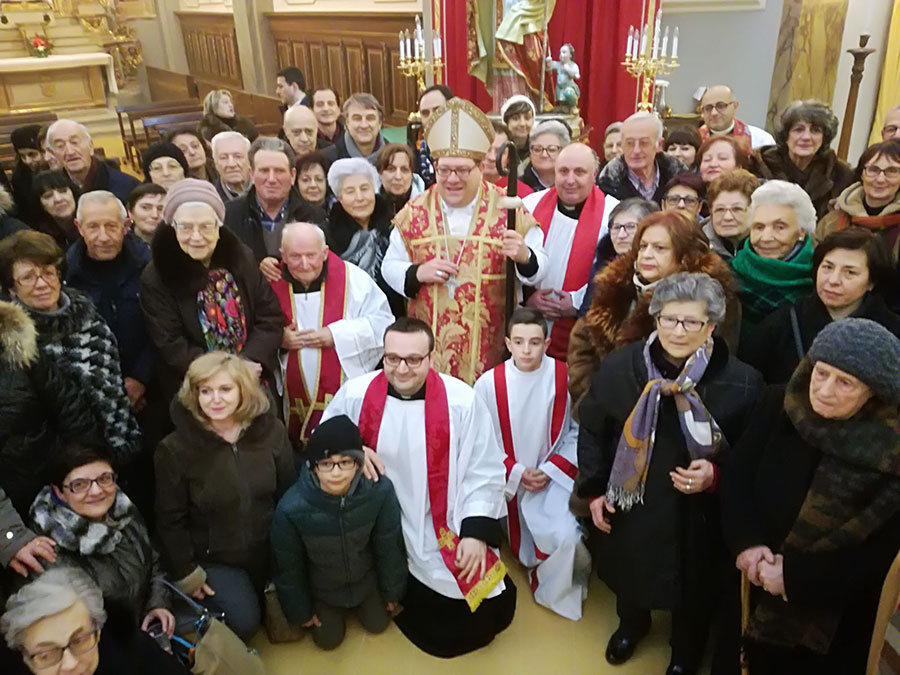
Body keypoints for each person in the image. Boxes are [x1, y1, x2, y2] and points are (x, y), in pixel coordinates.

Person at [577, 272, 762, 673]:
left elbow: (753, 457)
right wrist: (593, 491)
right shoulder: (621, 366)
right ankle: (632, 626)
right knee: (631, 572)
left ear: (711, 326)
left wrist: (716, 475)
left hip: (699, 514)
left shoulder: (743, 383)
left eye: (691, 322)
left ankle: (684, 654)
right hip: (633, 502)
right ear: (655, 318)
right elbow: (593, 427)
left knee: (694, 588)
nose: (677, 331)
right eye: (668, 319)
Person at [320, 318, 516, 658]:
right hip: (381, 521)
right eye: (392, 358)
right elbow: (325, 441)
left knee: (486, 611)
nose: (402, 369)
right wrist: (353, 448)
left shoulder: (461, 402)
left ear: (431, 358)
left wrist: (474, 533)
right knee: (447, 626)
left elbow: (484, 468)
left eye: (414, 359)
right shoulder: (356, 393)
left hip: (444, 517)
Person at [722, 318, 900, 674]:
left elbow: (882, 556)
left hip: (835, 620)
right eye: (821, 373)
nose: (824, 389)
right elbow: (737, 476)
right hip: (756, 582)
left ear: (874, 392)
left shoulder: (891, 449)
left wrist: (795, 579)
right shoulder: (779, 402)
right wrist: (748, 543)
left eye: (845, 382)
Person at [381, 97, 547, 385]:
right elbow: (389, 265)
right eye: (443, 170)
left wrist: (524, 256)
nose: (451, 179)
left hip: (491, 345)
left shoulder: (508, 208)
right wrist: (417, 273)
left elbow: (541, 265)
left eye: (461, 170)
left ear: (481, 166)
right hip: (428, 347)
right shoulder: (415, 211)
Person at [155, 351, 295, 640]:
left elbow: (289, 495)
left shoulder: (272, 432)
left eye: (225, 389)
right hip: (216, 559)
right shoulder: (174, 449)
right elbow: (170, 519)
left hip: (269, 548)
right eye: (205, 391)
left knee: (293, 617)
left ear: (243, 390)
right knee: (245, 623)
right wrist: (187, 572)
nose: (215, 400)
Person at [0, 231, 141, 506]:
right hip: (68, 473)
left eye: (48, 273)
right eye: (28, 277)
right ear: (11, 289)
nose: (41, 283)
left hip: (121, 444)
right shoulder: (14, 343)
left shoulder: (87, 315)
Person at [474, 309, 589, 621]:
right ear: (508, 343)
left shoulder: (565, 377)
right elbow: (480, 442)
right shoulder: (488, 385)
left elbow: (579, 431)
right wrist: (516, 472)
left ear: (548, 342)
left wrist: (550, 471)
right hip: (509, 484)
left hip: (554, 480)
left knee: (568, 538)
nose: (527, 350)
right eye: (520, 342)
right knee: (520, 543)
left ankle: (553, 588)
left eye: (535, 342)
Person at [567, 211, 740, 408]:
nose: (647, 255)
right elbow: (582, 349)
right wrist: (591, 404)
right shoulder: (615, 290)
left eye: (659, 248)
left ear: (686, 255)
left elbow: (717, 365)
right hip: (609, 416)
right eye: (643, 246)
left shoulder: (712, 298)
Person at [139, 179, 285, 401]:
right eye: (185, 227)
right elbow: (170, 342)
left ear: (219, 227)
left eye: (206, 226)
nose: (196, 237)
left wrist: (248, 362)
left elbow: (269, 315)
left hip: (252, 378)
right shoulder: (157, 275)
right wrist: (224, 374)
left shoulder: (240, 258)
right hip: (198, 388)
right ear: (172, 228)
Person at [270, 415, 407, 649]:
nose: (336, 473)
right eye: (326, 464)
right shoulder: (291, 508)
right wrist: (301, 611)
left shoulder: (378, 493)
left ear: (358, 463)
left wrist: (391, 592)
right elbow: (289, 567)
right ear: (312, 466)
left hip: (365, 581)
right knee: (327, 641)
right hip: (324, 591)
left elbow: (388, 545)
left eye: (345, 462)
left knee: (378, 624)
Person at [270, 222, 393, 445]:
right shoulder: (270, 284)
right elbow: (255, 330)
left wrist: (337, 335)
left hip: (344, 395)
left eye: (311, 255)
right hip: (289, 405)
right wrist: (279, 340)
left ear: (325, 252)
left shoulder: (354, 280)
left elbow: (384, 325)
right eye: (295, 256)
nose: (305, 264)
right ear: (283, 256)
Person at [28, 444, 172, 635]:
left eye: (104, 479)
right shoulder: (46, 549)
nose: (96, 491)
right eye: (79, 484)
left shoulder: (124, 513)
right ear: (58, 492)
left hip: (144, 632)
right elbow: (71, 628)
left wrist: (157, 605)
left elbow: (154, 562)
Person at [0, 298, 98, 569]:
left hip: (57, 484)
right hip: (10, 515)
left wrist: (90, 475)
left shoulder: (15, 344)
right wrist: (10, 537)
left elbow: (70, 408)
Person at [741, 227, 900, 383]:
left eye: (850, 272)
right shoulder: (784, 323)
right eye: (827, 267)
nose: (833, 280)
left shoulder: (892, 331)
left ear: (871, 282)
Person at [522, 142, 617, 359]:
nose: (570, 180)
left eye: (580, 172)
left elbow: (616, 271)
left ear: (594, 175)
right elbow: (511, 259)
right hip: (530, 324)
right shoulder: (529, 206)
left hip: (581, 333)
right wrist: (527, 299)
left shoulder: (612, 213)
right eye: (563, 171)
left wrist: (576, 302)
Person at [0, 567, 189, 675]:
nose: (70, 664)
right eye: (46, 654)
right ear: (25, 657)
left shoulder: (134, 649)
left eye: (80, 640)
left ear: (98, 630)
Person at [67, 192, 154, 416]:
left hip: (154, 384)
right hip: (96, 396)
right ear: (79, 227)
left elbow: (163, 327)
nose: (103, 237)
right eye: (93, 227)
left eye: (111, 226)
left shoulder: (149, 267)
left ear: (126, 226)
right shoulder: (65, 276)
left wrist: (140, 379)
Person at [816, 139, 900, 308]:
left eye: (892, 171)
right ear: (861, 173)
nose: (880, 178)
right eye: (873, 170)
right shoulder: (832, 219)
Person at [223, 136, 325, 273]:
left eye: (279, 171)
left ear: (293, 175)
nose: (271, 179)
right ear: (251, 174)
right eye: (264, 171)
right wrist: (256, 266)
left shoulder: (314, 216)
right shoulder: (229, 215)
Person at [731, 180, 816, 341]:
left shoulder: (821, 278)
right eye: (759, 227)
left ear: (802, 232)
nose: (766, 237)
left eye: (780, 227)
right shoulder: (728, 276)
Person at [325, 158, 403, 314]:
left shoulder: (394, 227)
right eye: (350, 192)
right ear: (340, 199)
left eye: (365, 189)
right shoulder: (328, 235)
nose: (359, 197)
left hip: (394, 314)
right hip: (348, 316)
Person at [758, 100, 854, 219]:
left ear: (824, 137)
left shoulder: (841, 175)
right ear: (786, 135)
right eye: (798, 129)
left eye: (815, 130)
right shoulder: (757, 165)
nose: (806, 137)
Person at [578, 198, 660, 316]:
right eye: (616, 227)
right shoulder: (602, 264)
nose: (621, 235)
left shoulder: (655, 267)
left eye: (630, 227)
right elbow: (586, 313)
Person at [598, 112, 689, 203]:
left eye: (643, 143)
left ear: (659, 145)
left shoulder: (678, 176)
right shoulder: (608, 182)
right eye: (629, 143)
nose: (636, 150)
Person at [45, 120, 140, 204]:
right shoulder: (53, 192)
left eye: (75, 142)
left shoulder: (127, 186)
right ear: (53, 154)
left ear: (90, 147)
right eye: (60, 146)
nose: (70, 152)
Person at [702, 169, 760, 260]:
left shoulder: (769, 246)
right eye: (720, 209)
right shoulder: (696, 248)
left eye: (737, 209)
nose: (727, 217)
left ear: (754, 210)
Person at [698, 85, 775, 150]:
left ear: (735, 106)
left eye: (721, 106)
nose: (714, 113)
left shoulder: (761, 139)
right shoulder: (695, 140)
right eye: (708, 108)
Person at [322, 93, 387, 166]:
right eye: (357, 118)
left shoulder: (394, 157)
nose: (364, 125)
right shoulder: (327, 159)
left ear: (379, 123)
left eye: (370, 118)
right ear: (347, 123)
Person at [415, 84, 452, 188]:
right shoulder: (414, 155)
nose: (432, 117)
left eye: (438, 110)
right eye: (425, 113)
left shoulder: (471, 149)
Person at [482, 121, 533, 196]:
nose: (492, 158)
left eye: (500, 152)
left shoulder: (524, 194)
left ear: (509, 158)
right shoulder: (461, 188)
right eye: (486, 149)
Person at [10, 124, 48, 226]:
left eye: (32, 154)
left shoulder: (58, 170)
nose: (27, 161)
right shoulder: (19, 177)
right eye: (22, 156)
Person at [30, 170, 78, 250]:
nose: (58, 199)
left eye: (63, 191)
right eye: (48, 196)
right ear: (40, 205)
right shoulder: (40, 241)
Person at [522, 120, 571, 192]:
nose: (544, 155)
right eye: (537, 149)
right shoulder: (518, 186)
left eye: (551, 150)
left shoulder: (573, 185)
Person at [376, 143, 424, 214]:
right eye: (391, 169)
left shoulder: (427, 208)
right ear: (380, 173)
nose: (398, 177)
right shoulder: (368, 209)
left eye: (404, 170)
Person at [210, 130, 252, 203]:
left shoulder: (266, 190)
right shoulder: (211, 199)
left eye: (238, 156)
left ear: (249, 161)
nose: (231, 164)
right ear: (215, 163)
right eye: (224, 157)